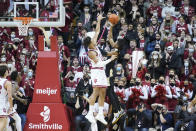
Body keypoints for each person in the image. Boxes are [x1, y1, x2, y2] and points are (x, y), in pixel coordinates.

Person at [83, 13, 117, 125]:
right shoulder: (91, 52)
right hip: (96, 71)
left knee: (103, 92)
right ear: (89, 44)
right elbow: (100, 63)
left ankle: (101, 114)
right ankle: (90, 113)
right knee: (96, 92)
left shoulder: (94, 44)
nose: (95, 39)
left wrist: (98, 21)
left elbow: (97, 31)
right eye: (92, 40)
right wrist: (111, 59)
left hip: (101, 72)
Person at [0, 65, 14, 130]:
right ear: (6, 72)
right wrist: (11, 107)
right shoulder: (8, 83)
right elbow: (10, 97)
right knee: (3, 122)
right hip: (1, 104)